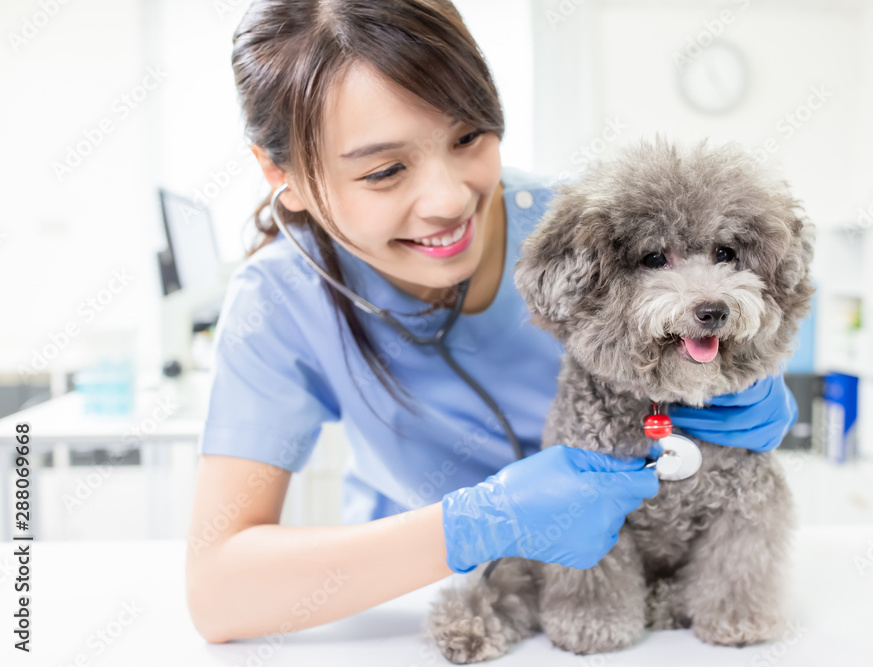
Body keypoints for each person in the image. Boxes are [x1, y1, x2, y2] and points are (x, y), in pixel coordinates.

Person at [185, 0, 799, 644]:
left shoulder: (586, 227)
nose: (450, 199)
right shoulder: (278, 300)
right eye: (384, 170)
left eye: (468, 137)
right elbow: (219, 596)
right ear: (281, 174)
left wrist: (748, 374)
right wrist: (479, 523)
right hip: (415, 604)